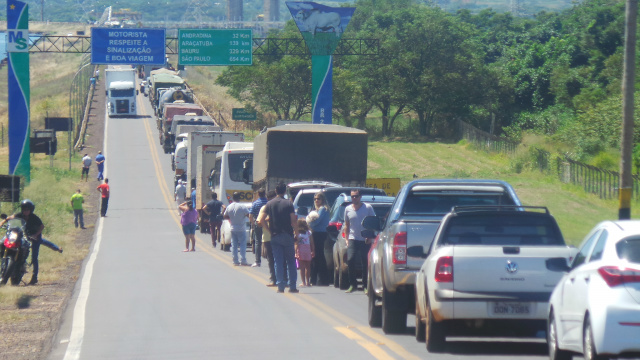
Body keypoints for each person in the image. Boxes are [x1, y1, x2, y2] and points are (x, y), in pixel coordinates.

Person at [0, 200, 62, 285]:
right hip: (25, 234)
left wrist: (35, 235)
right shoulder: (19, 215)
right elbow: (9, 218)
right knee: (4, 242)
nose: (25, 211)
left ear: (31, 210)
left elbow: (42, 226)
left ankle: (34, 277)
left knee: (34, 257)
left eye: (27, 210)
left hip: (35, 236)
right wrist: (2, 222)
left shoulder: (34, 218)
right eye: (24, 209)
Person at [260, 182, 298, 293]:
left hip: (275, 236)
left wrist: (269, 230)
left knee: (278, 261)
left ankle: (280, 286)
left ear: (275, 191)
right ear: (284, 191)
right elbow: (293, 221)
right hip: (287, 235)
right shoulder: (288, 203)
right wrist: (297, 234)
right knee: (291, 261)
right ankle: (292, 286)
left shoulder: (270, 204)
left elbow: (261, 220)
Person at [343, 189, 376, 293]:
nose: (354, 198)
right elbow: (347, 225)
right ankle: (353, 284)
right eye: (352, 196)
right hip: (353, 238)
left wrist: (370, 236)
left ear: (360, 197)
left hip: (365, 239)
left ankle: (365, 285)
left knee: (365, 262)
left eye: (356, 196)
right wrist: (347, 239)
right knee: (350, 259)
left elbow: (372, 222)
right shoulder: (348, 209)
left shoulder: (368, 208)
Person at [307, 192, 330, 286]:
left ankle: (320, 279)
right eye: (315, 199)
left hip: (319, 234)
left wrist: (308, 224)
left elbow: (316, 221)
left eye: (318, 199)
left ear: (322, 200)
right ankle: (316, 279)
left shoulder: (323, 209)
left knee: (318, 256)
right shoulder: (316, 209)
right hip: (315, 233)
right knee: (316, 256)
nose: (316, 200)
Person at [257, 190, 277, 286]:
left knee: (280, 259)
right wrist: (268, 219)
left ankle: (282, 279)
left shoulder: (280, 206)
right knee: (271, 259)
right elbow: (259, 223)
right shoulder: (265, 208)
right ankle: (274, 278)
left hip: (278, 236)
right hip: (268, 237)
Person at [224, 192, 249, 266]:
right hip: (241, 228)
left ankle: (235, 260)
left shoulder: (229, 206)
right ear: (239, 198)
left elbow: (225, 216)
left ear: (233, 198)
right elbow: (248, 215)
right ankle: (243, 260)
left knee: (234, 245)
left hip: (233, 228)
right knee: (242, 245)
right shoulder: (242, 206)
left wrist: (231, 218)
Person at [249, 188, 268, 267]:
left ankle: (257, 261)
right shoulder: (268, 202)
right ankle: (269, 259)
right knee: (268, 241)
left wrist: (253, 224)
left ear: (258, 194)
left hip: (258, 223)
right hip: (267, 223)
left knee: (257, 242)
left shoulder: (255, 203)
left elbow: (250, 215)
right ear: (265, 194)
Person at [295, 219, 315, 287]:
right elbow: (312, 242)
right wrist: (313, 251)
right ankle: (308, 282)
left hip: (300, 249)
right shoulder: (309, 232)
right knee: (308, 267)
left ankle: (303, 282)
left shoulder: (297, 232)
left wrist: (295, 252)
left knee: (302, 267)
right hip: (307, 249)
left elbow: (296, 243)